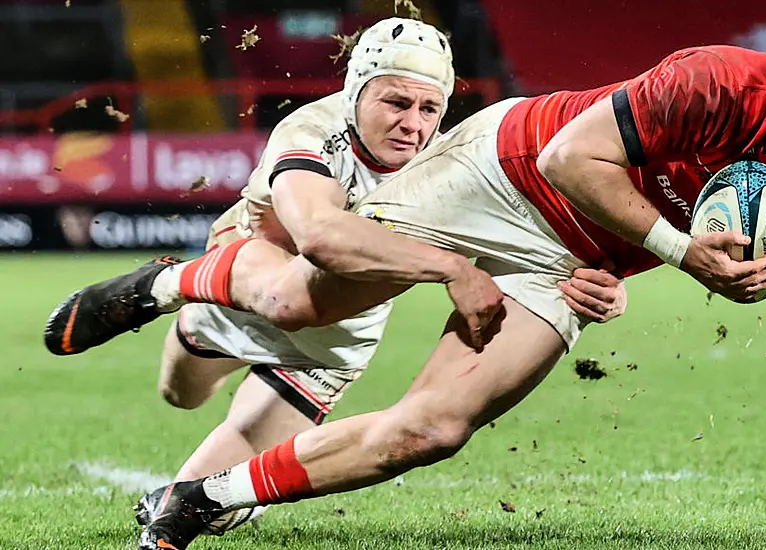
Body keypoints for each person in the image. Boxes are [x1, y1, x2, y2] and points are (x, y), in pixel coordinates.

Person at [51, 14, 766, 549]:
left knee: (432, 430)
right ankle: (176, 283)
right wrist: (675, 250)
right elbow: (567, 156)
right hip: (504, 172)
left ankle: (196, 501)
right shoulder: (718, 80)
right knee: (307, 295)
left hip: (570, 263)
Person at [45, 17, 629, 537]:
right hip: (249, 285)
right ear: (355, 91)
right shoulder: (313, 131)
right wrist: (451, 267)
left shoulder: (454, 157)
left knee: (211, 504)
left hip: (338, 335)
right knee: (184, 390)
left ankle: (202, 477)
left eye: (430, 109)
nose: (413, 125)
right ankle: (165, 284)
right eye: (396, 103)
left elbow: (532, 228)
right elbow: (319, 238)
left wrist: (589, 277)